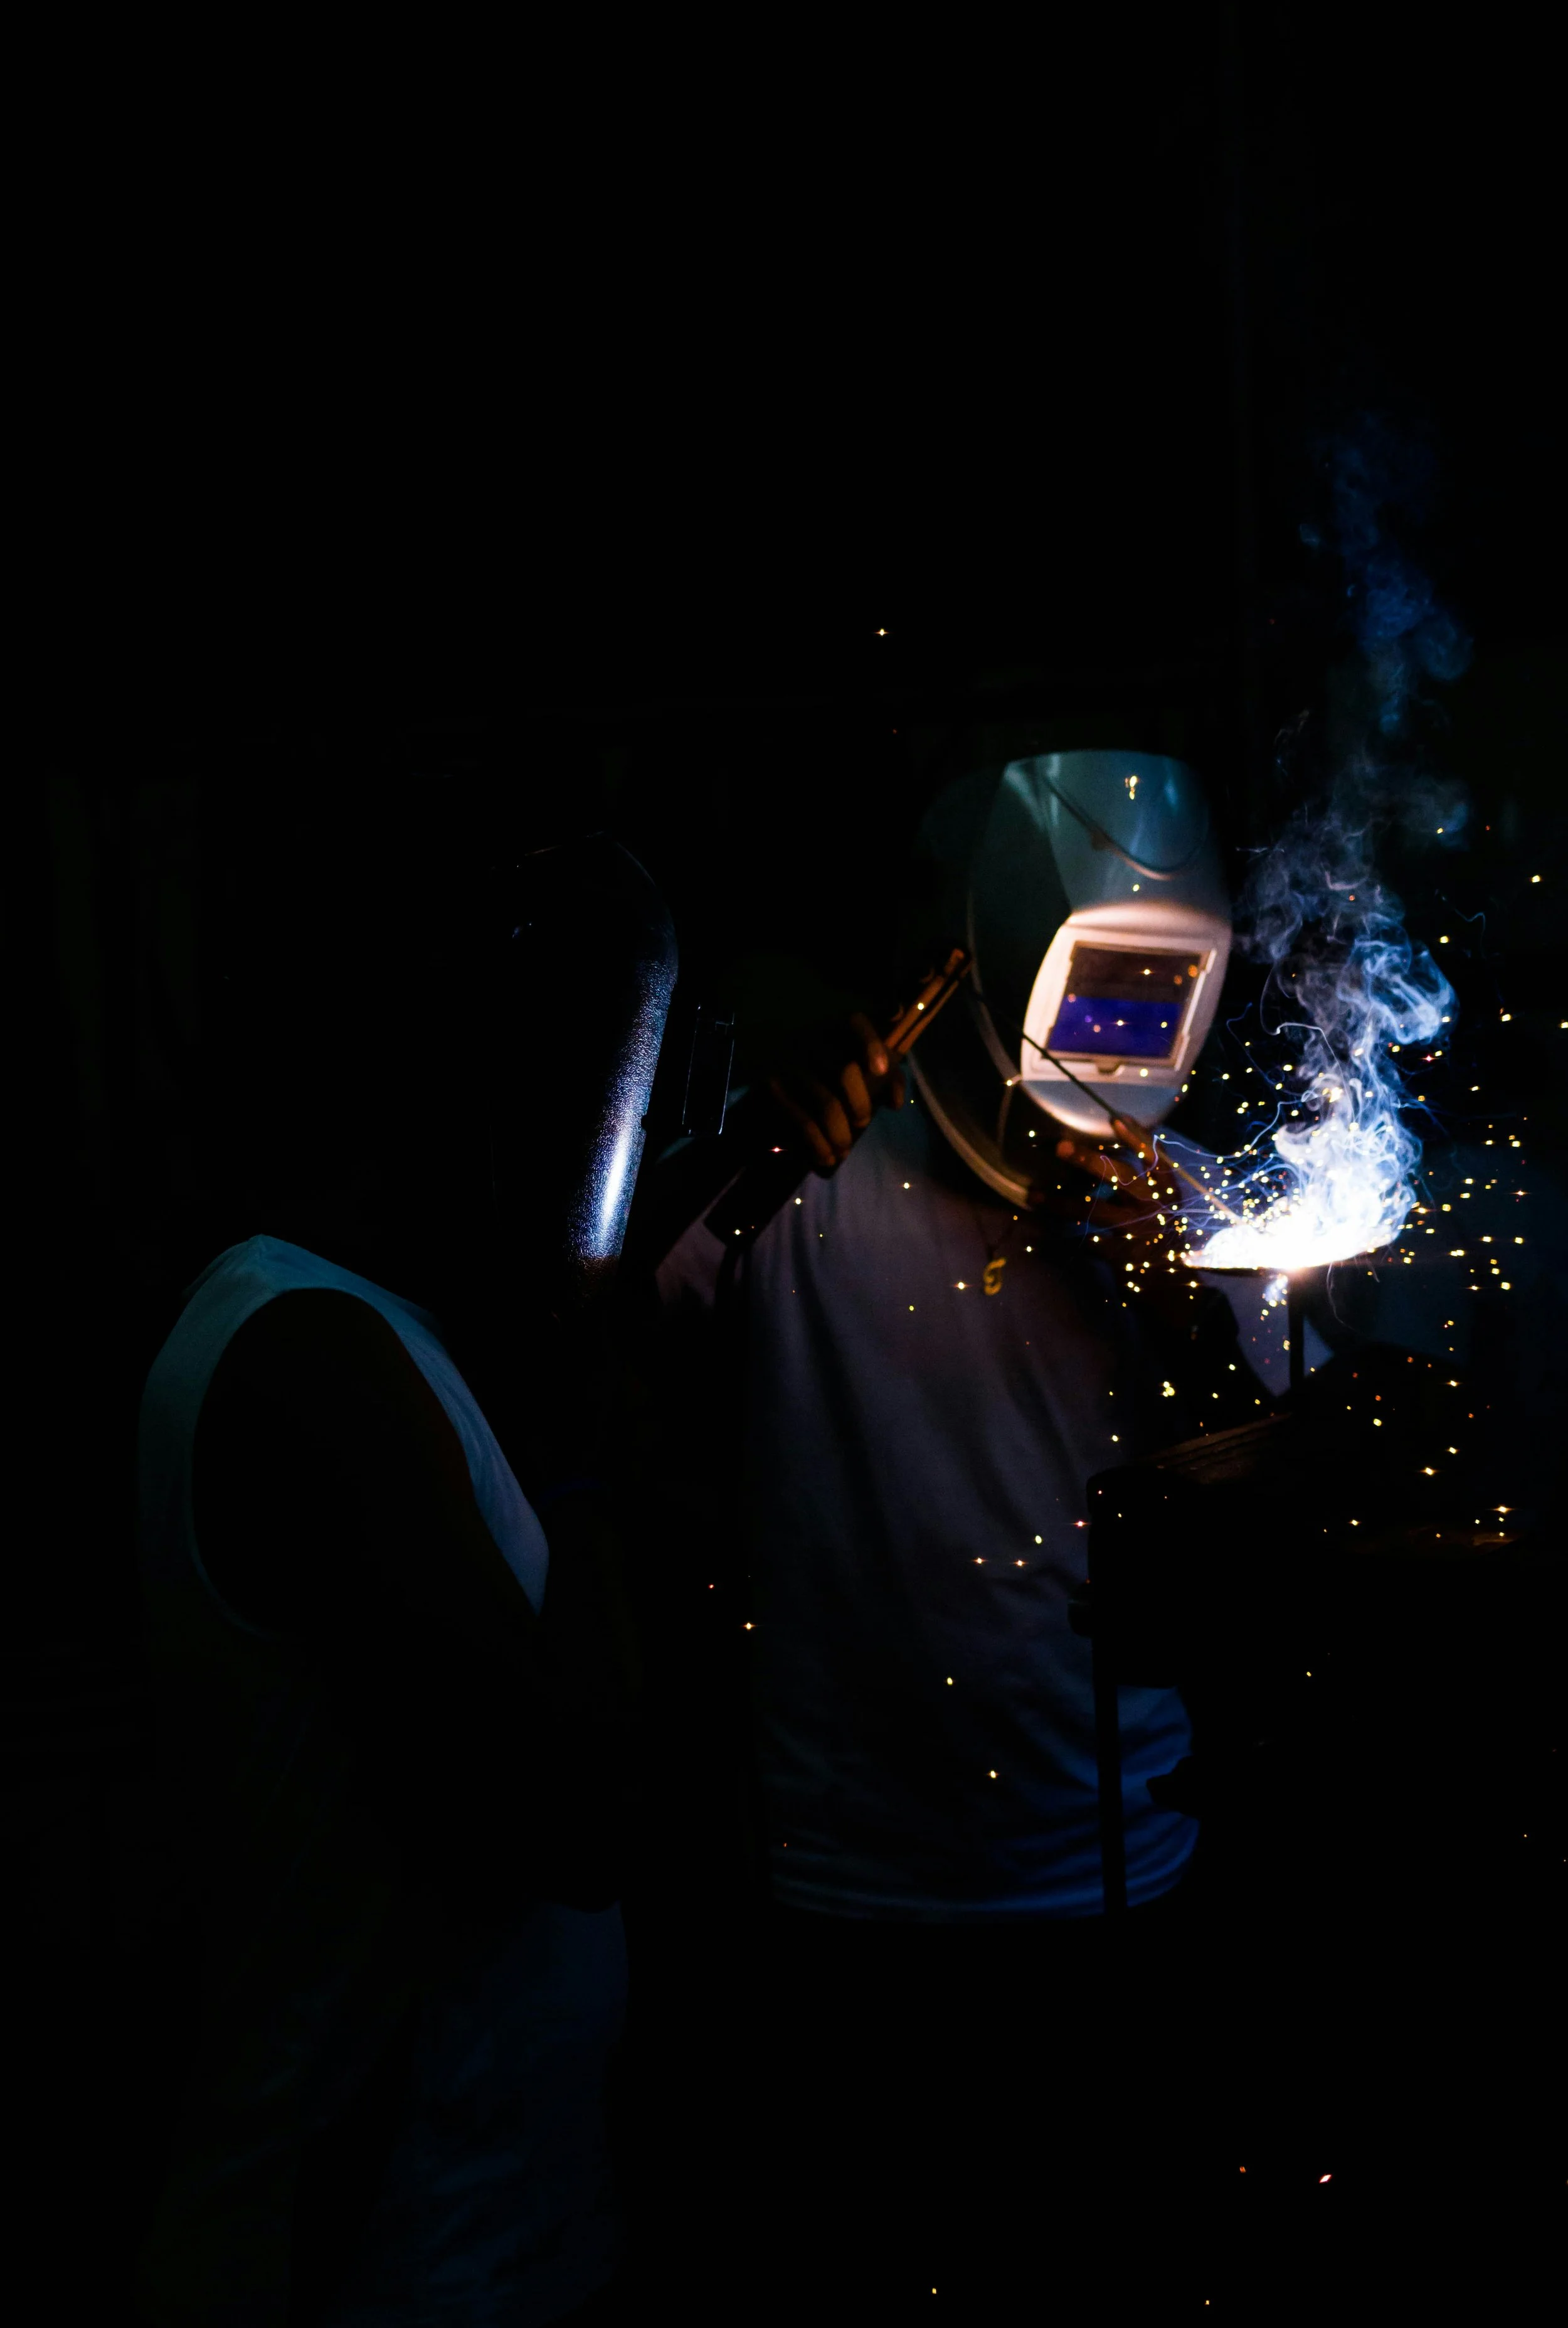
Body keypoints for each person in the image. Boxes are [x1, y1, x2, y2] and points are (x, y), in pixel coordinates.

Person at [627, 752, 1261, 2314]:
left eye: (1152, 999)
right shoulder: (799, 1188)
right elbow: (591, 1364)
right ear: (983, 966)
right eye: (1091, 991)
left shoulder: (1206, 1221)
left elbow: (1272, 1525)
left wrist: (1179, 1309)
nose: (1113, 1054)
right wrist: (742, 1135)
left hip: (1126, 1880)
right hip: (848, 1908)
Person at [131, 824, 676, 2328]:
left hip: (487, 2232)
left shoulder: (389, 1331)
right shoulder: (314, 1356)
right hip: (389, 2266)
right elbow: (567, 1817)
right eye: (596, 1095)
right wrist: (593, 1449)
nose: (603, 1153)